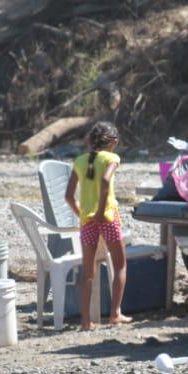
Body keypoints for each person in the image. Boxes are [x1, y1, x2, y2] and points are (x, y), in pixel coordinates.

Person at [65, 121, 131, 330]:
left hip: (88, 222)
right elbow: (104, 181)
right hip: (108, 218)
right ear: (113, 142)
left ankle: (86, 321)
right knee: (120, 264)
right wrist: (102, 211)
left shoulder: (80, 161)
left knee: (88, 270)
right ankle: (115, 314)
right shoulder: (112, 158)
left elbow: (68, 196)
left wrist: (83, 215)